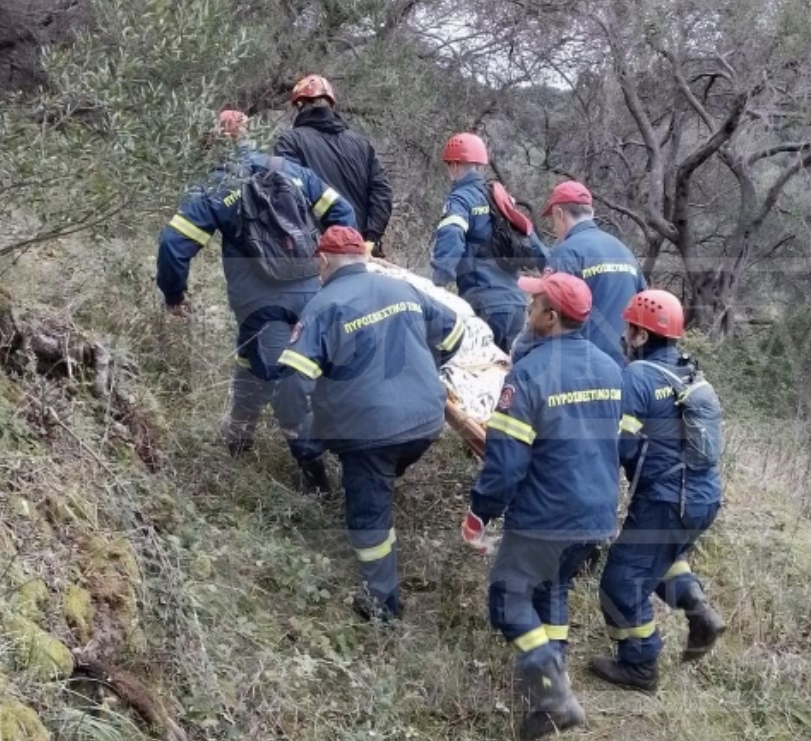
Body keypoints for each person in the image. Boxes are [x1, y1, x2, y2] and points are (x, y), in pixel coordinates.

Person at [155, 109, 356, 493]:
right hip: (311, 289)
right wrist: (330, 266)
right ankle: (240, 434)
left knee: (285, 385)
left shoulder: (214, 184)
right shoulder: (293, 172)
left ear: (213, 141)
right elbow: (343, 214)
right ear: (251, 136)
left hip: (258, 298)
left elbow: (172, 245)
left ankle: (316, 481)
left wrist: (174, 295)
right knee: (254, 357)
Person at [274, 225, 464, 622]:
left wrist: (296, 427)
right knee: (378, 464)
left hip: (370, 432)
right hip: (427, 420)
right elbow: (456, 331)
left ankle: (382, 605)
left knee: (368, 515)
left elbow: (292, 380)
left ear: (322, 261)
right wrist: (424, 368)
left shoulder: (324, 306)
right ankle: (376, 477)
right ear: (364, 256)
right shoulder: (401, 289)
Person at [460, 272, 621, 740]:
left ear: (550, 318)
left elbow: (506, 463)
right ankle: (548, 702)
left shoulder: (527, 375)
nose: (527, 311)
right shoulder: (611, 368)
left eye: (534, 306)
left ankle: (553, 694)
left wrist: (479, 512)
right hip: (595, 516)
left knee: (507, 602)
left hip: (546, 515)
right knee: (551, 592)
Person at [590, 290, 727, 692]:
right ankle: (699, 611)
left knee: (620, 582)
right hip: (703, 498)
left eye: (629, 327)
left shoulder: (638, 376)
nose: (625, 334)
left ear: (640, 333)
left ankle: (640, 664)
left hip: (666, 501)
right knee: (662, 558)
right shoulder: (689, 371)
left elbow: (622, 443)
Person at [430, 132, 549, 354]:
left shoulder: (460, 200)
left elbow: (451, 237)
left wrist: (437, 284)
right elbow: (530, 238)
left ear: (455, 165)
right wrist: (552, 271)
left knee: (479, 375)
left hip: (484, 304)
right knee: (506, 373)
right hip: (517, 305)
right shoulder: (499, 198)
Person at [274, 74, 393, 258]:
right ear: (331, 104)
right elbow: (382, 192)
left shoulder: (290, 142)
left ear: (299, 106)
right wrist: (370, 239)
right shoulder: (362, 144)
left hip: (318, 256)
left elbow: (289, 196)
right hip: (360, 253)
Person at [540, 181, 646, 367]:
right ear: (591, 213)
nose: (555, 228)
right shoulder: (624, 251)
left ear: (559, 214)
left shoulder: (566, 253)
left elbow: (545, 316)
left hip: (579, 369)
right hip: (623, 367)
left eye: (553, 220)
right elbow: (644, 305)